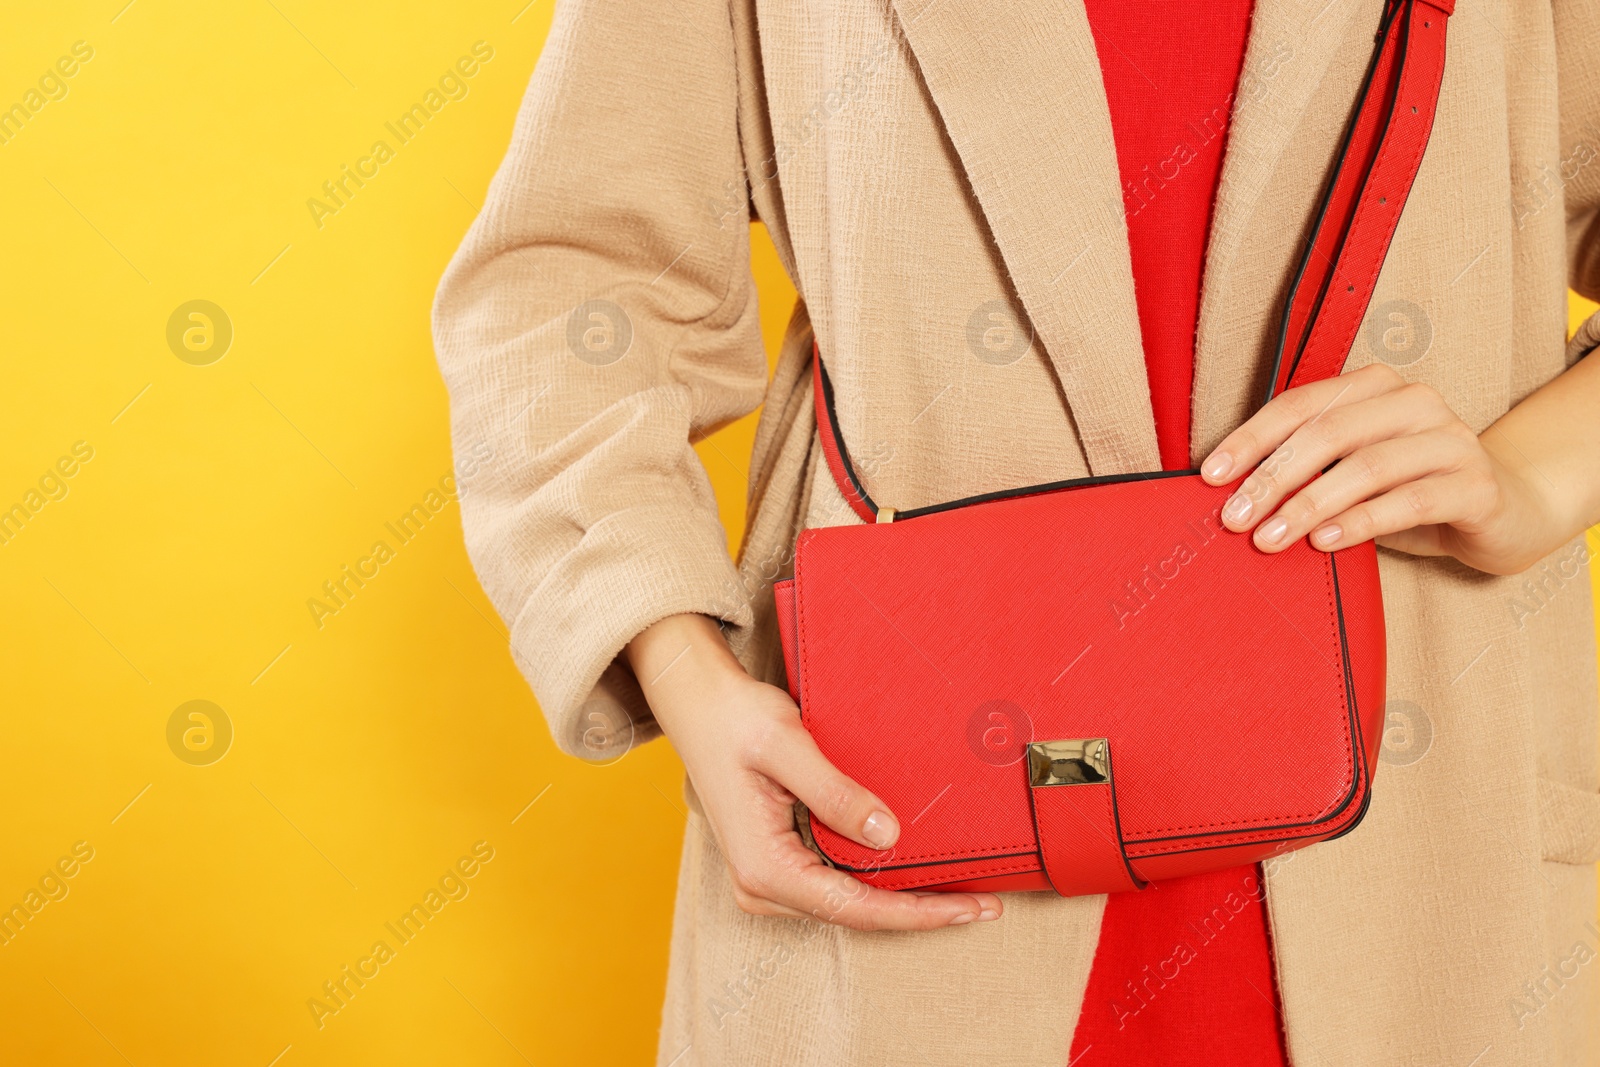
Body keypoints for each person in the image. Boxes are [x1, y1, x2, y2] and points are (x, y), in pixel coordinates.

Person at [432, 0, 1600, 1062]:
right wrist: (682, 668)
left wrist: (1531, 482)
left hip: (1428, 865)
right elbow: (565, 286)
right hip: (905, 859)